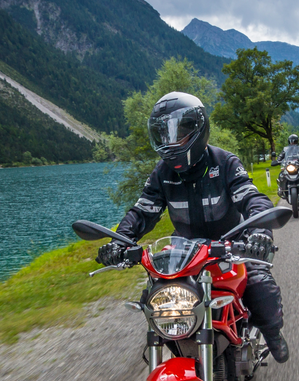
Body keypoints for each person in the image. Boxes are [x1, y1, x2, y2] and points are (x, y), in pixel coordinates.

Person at [96, 92, 289, 363]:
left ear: (199, 130)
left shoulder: (225, 163)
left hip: (230, 245)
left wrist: (258, 233)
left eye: (178, 134)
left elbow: (252, 198)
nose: (169, 142)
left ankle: (272, 334)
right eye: (163, 135)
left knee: (259, 285)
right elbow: (142, 211)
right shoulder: (163, 173)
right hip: (183, 254)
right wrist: (121, 241)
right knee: (155, 298)